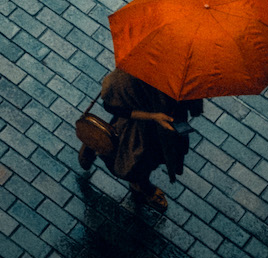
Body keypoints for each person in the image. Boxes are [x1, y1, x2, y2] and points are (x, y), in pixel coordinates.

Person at [79, 68, 203, 211]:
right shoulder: (131, 74)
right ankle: (141, 186)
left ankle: (96, 144)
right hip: (137, 127)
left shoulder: (191, 74)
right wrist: (153, 116)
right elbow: (111, 106)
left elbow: (194, 107)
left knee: (153, 159)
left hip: (168, 129)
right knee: (134, 161)